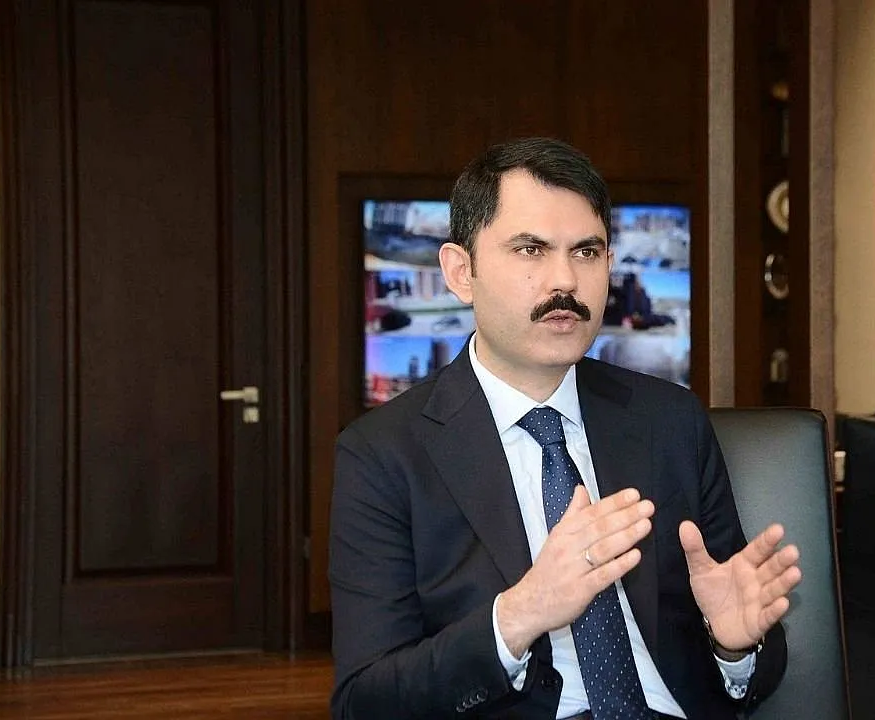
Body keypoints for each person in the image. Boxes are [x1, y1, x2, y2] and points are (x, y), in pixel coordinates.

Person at [330, 137, 800, 720]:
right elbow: (365, 700)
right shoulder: (383, 454)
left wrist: (732, 646)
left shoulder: (669, 420)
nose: (566, 281)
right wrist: (521, 614)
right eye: (530, 249)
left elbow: (745, 624)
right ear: (460, 271)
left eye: (586, 251)